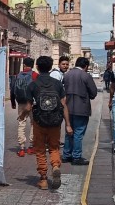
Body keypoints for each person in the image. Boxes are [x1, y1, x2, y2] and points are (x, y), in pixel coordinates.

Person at [19, 56, 72, 190]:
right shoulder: (57, 84)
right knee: (54, 148)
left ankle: (43, 179)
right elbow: (64, 105)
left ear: (37, 67)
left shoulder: (33, 84)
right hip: (55, 121)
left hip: (39, 122)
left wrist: (22, 115)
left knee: (40, 150)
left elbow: (28, 107)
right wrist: (68, 124)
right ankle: (55, 166)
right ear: (50, 67)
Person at [62, 57, 96, 165]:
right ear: (85, 66)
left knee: (69, 131)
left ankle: (66, 155)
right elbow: (93, 93)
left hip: (68, 108)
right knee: (78, 133)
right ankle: (76, 157)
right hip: (82, 108)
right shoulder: (86, 76)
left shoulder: (67, 75)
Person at [12, 57, 38, 157]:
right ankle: (31, 146)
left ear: (24, 65)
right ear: (33, 65)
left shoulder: (18, 75)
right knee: (33, 123)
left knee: (21, 123)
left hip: (21, 102)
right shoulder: (35, 75)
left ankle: (22, 148)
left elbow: (13, 88)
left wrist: (13, 102)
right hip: (32, 103)